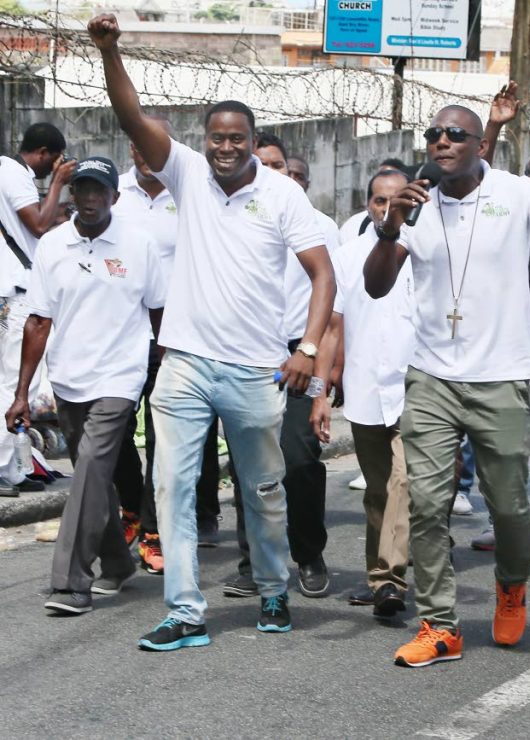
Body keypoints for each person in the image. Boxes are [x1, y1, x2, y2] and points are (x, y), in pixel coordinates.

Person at [88, 14, 337, 650]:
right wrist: (111, 51)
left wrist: (308, 349)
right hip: (186, 365)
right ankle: (186, 612)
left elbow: (322, 275)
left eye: (237, 138)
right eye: (217, 138)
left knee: (262, 490)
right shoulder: (187, 173)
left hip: (256, 370)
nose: (225, 147)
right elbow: (130, 115)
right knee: (170, 487)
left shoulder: (283, 196)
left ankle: (275, 588)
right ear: (206, 141)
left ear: (253, 141)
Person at [363, 103, 530, 667]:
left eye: (455, 135)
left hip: (500, 377)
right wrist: (389, 226)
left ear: (478, 144)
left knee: (511, 506)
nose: (442, 142)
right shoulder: (414, 204)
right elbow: (375, 286)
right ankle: (440, 625)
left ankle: (512, 586)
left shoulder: (516, 194)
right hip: (432, 376)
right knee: (427, 503)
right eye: (434, 135)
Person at [4, 156, 165, 614]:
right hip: (69, 379)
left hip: (120, 376)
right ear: (72, 195)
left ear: (115, 196)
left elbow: (159, 311)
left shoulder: (139, 245)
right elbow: (38, 320)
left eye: (100, 191)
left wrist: (163, 365)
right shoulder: (53, 246)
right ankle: (117, 562)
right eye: (83, 190)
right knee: (93, 478)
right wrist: (22, 394)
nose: (90, 199)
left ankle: (70, 582)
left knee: (91, 468)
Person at [222, 139, 341, 599]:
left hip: (300, 354)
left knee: (298, 457)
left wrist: (321, 387)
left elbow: (333, 316)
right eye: (265, 166)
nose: (274, 176)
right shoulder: (235, 217)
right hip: (246, 353)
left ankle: (308, 553)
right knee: (247, 462)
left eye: (282, 168)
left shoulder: (322, 228)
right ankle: (255, 560)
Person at [111, 120, 223, 575]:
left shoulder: (193, 191)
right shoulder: (112, 192)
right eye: (135, 145)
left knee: (165, 436)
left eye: (150, 144)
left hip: (177, 333)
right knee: (114, 429)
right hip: (119, 333)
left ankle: (155, 527)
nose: (143, 152)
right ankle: (133, 501)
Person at [338, 168, 416, 617]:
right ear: (368, 205)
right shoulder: (349, 255)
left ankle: (390, 579)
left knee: (403, 482)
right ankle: (380, 578)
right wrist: (319, 391)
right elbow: (333, 324)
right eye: (378, 201)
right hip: (366, 387)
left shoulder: (426, 251)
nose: (387, 209)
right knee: (378, 490)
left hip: (414, 388)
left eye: (395, 200)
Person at [0, 122, 75, 494]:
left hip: (10, 287)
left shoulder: (8, 171)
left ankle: (18, 465)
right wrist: (59, 182)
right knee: (14, 382)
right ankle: (5, 469)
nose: (54, 168)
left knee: (11, 380)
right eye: (54, 161)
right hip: (14, 291)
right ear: (44, 153)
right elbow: (40, 225)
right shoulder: (14, 173)